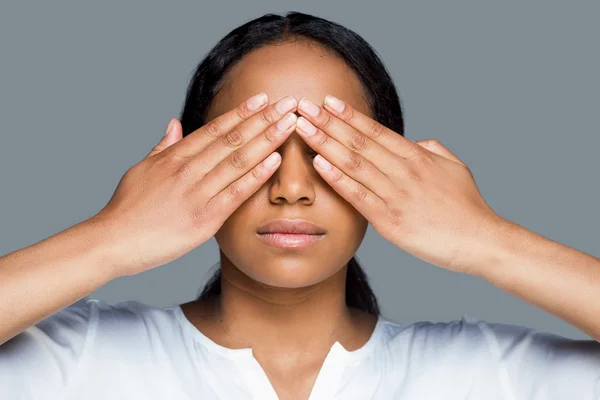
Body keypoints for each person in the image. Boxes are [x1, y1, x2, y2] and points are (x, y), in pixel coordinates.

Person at [1, 11, 599, 400]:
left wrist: (487, 242)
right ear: (186, 164)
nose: (291, 187)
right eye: (252, 149)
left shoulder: (489, 375)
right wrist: (111, 239)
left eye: (329, 151)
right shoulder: (77, 361)